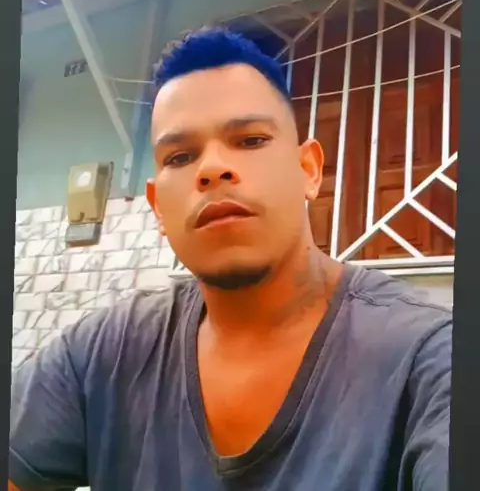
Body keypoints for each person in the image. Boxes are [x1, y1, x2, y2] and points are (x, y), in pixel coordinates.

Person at [9, 27, 451, 491]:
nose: (212, 169)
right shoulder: (103, 355)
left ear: (308, 170)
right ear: (158, 207)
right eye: (180, 156)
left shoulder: (428, 360)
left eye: (251, 140)